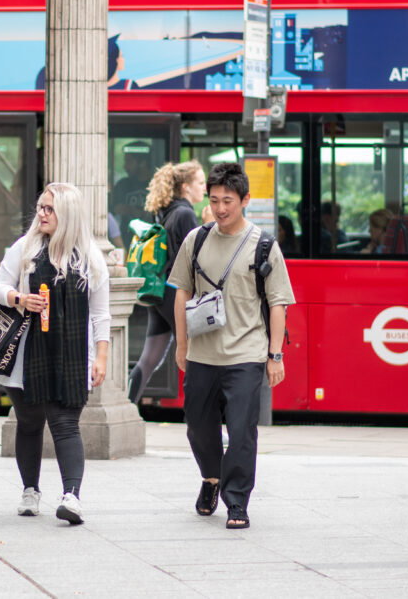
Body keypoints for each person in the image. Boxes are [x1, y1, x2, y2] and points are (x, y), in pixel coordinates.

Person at [169, 162, 294, 529]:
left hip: (245, 355)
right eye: (214, 200)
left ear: (245, 200)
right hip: (202, 354)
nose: (220, 208)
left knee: (241, 431)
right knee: (197, 427)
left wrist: (274, 356)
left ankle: (237, 501)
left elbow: (278, 304)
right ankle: (211, 477)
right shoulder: (197, 239)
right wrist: (181, 344)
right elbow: (182, 293)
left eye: (228, 201)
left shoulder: (265, 246)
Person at [0, 183, 111, 525]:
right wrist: (19, 298)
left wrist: (101, 357)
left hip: (72, 355)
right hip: (27, 356)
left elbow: (101, 314)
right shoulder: (25, 248)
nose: (41, 214)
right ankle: (30, 490)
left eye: (49, 209)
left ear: (68, 215)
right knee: (28, 422)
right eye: (41, 207)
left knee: (66, 423)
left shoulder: (89, 257)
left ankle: (71, 496)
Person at [127, 161, 205, 404]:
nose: (205, 188)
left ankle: (128, 407)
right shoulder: (185, 214)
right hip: (176, 295)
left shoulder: (168, 211)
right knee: (199, 358)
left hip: (161, 294)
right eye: (201, 183)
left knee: (150, 358)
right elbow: (199, 258)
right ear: (186, 187)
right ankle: (203, 422)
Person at [112, 147, 152, 245]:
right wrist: (130, 210)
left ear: (142, 163)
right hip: (126, 242)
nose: (125, 166)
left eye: (129, 161)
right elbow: (113, 211)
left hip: (151, 243)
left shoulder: (156, 185)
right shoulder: (122, 184)